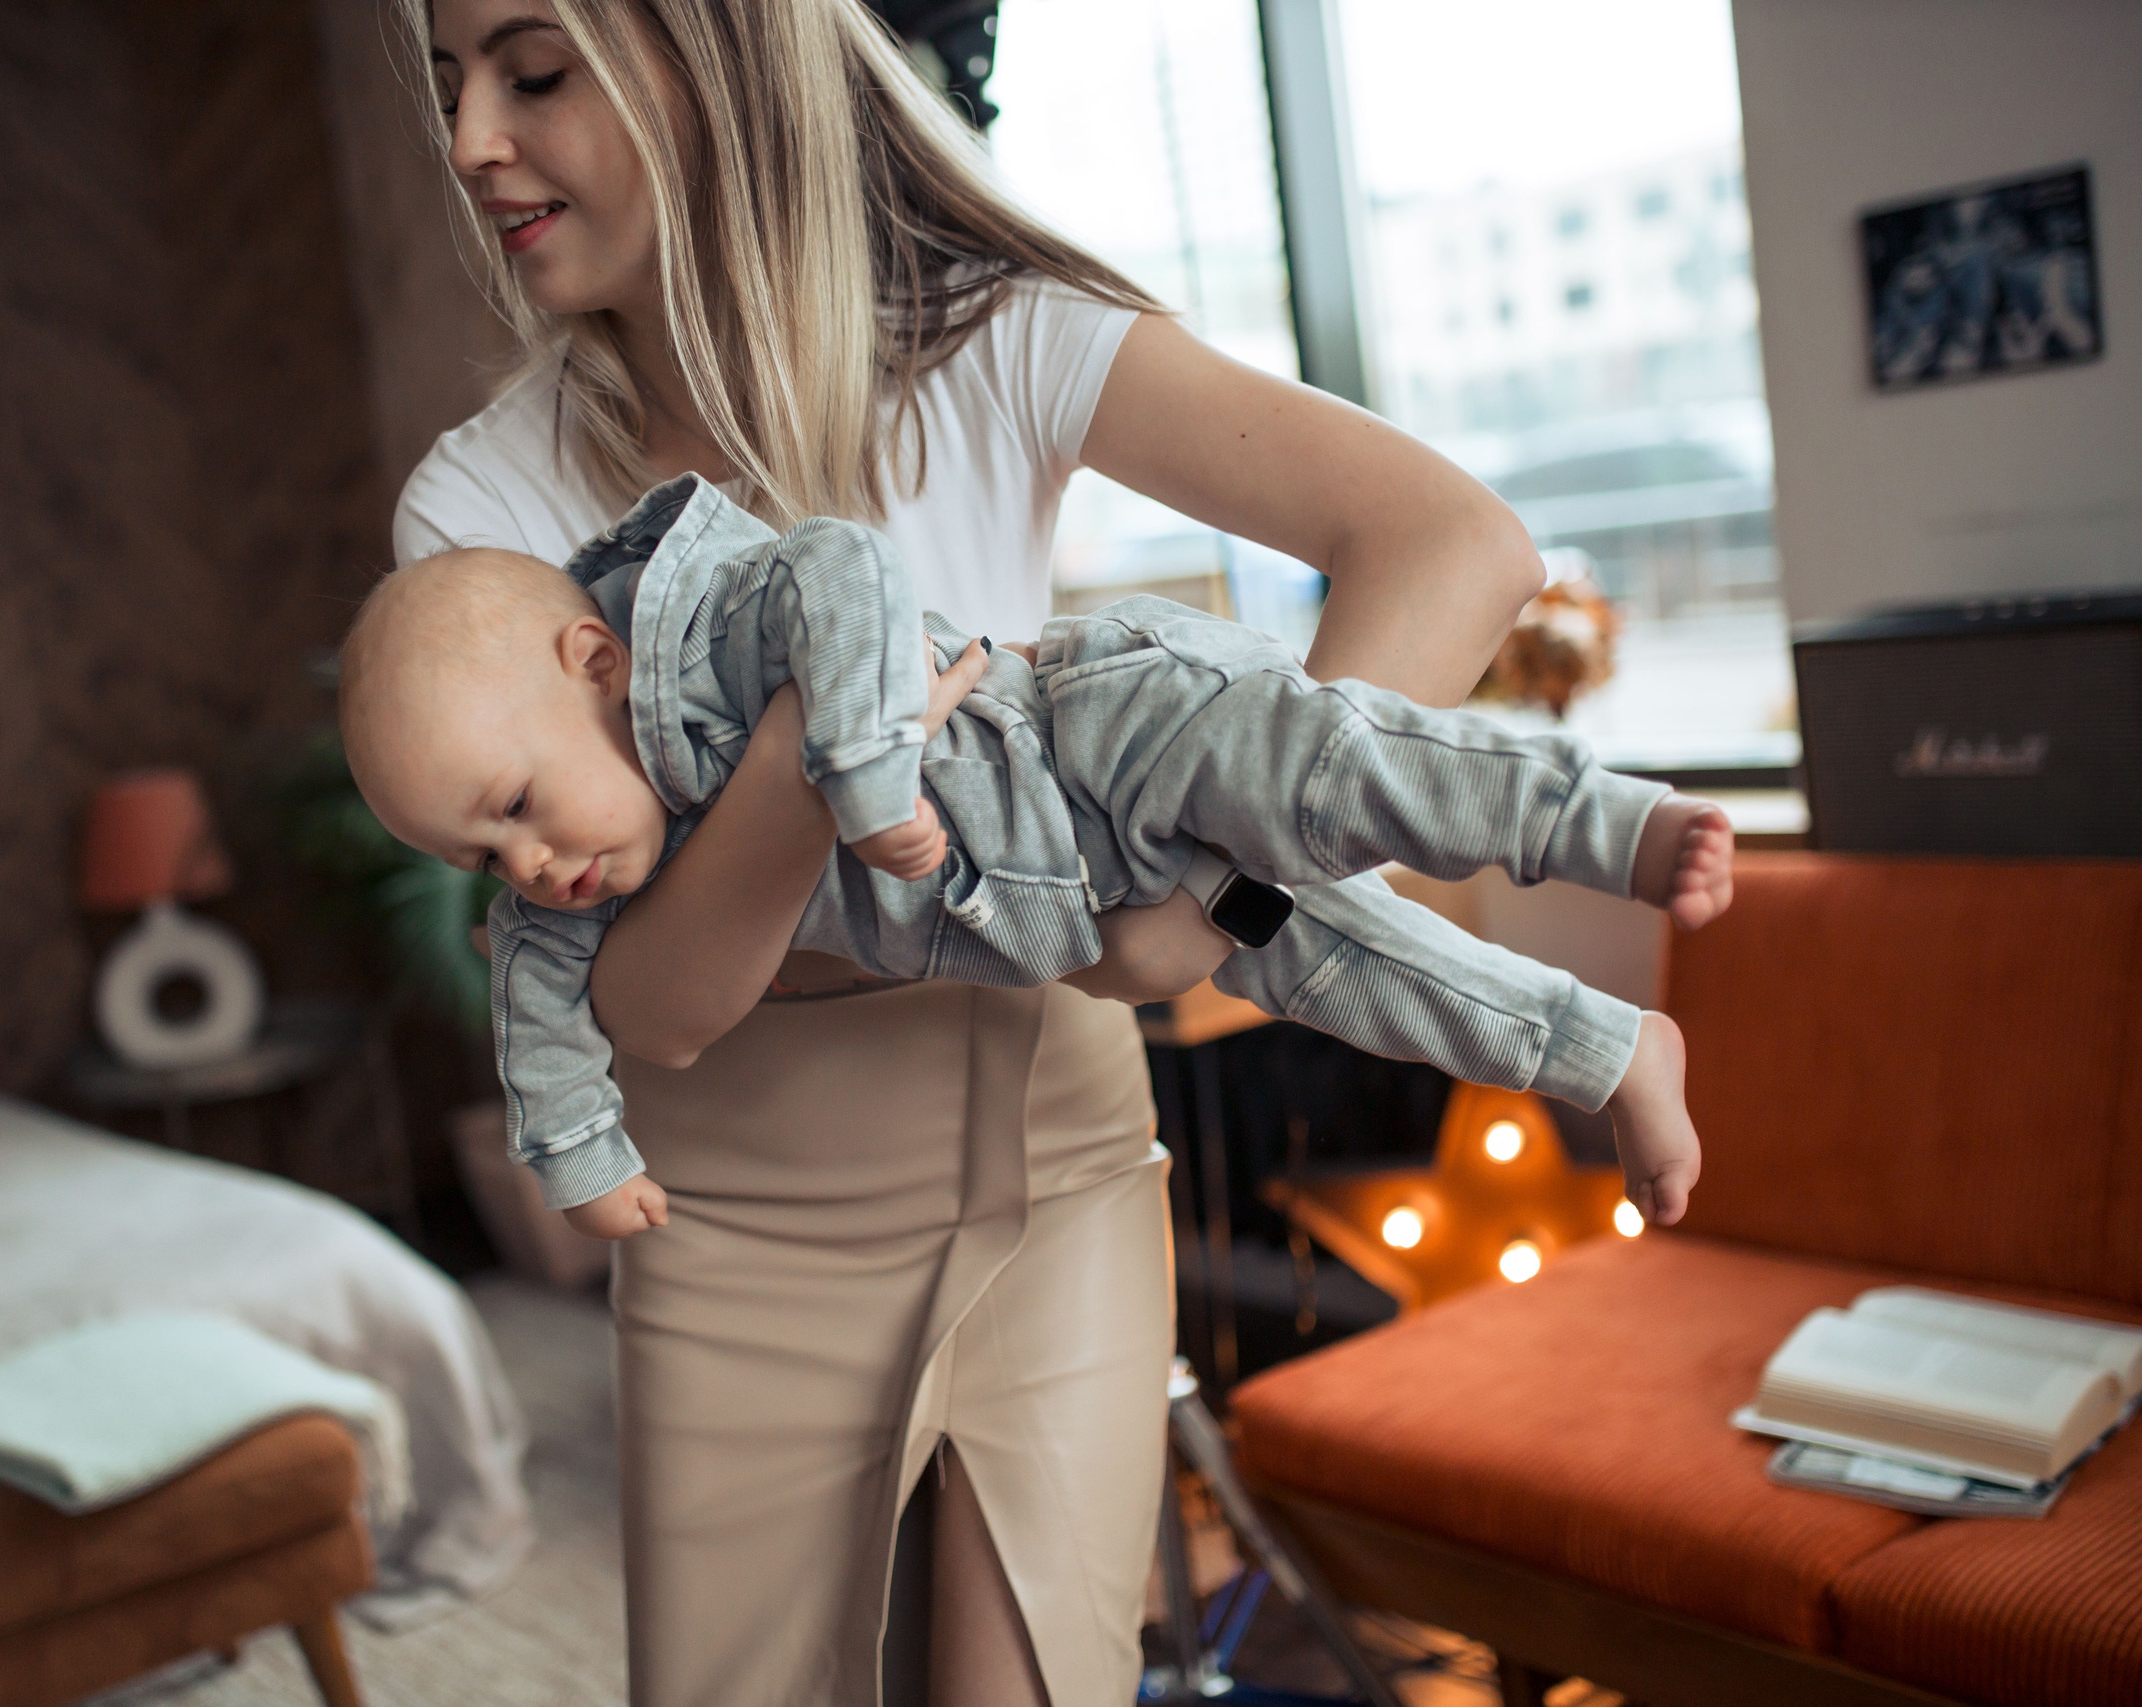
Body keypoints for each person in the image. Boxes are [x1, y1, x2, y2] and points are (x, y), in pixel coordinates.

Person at [392, 1, 1589, 1701]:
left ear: (716, 52)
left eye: (531, 72)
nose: (468, 148)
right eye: (449, 89)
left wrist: (1221, 901)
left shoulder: (999, 338)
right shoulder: (482, 512)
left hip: (1063, 1167)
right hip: (733, 1225)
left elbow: (1453, 540)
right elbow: (648, 1009)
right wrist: (818, 746)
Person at [342, 478, 1728, 1235]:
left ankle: (1605, 821)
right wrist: (584, 1166)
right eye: (480, 852)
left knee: (1333, 775)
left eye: (517, 804)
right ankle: (1604, 1051)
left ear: (597, 663)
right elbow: (545, 1033)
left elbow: (845, 566)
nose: (523, 865)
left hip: (1093, 729)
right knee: (1350, 969)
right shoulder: (569, 890)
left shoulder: (708, 628)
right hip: (1080, 895)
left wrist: (865, 762)